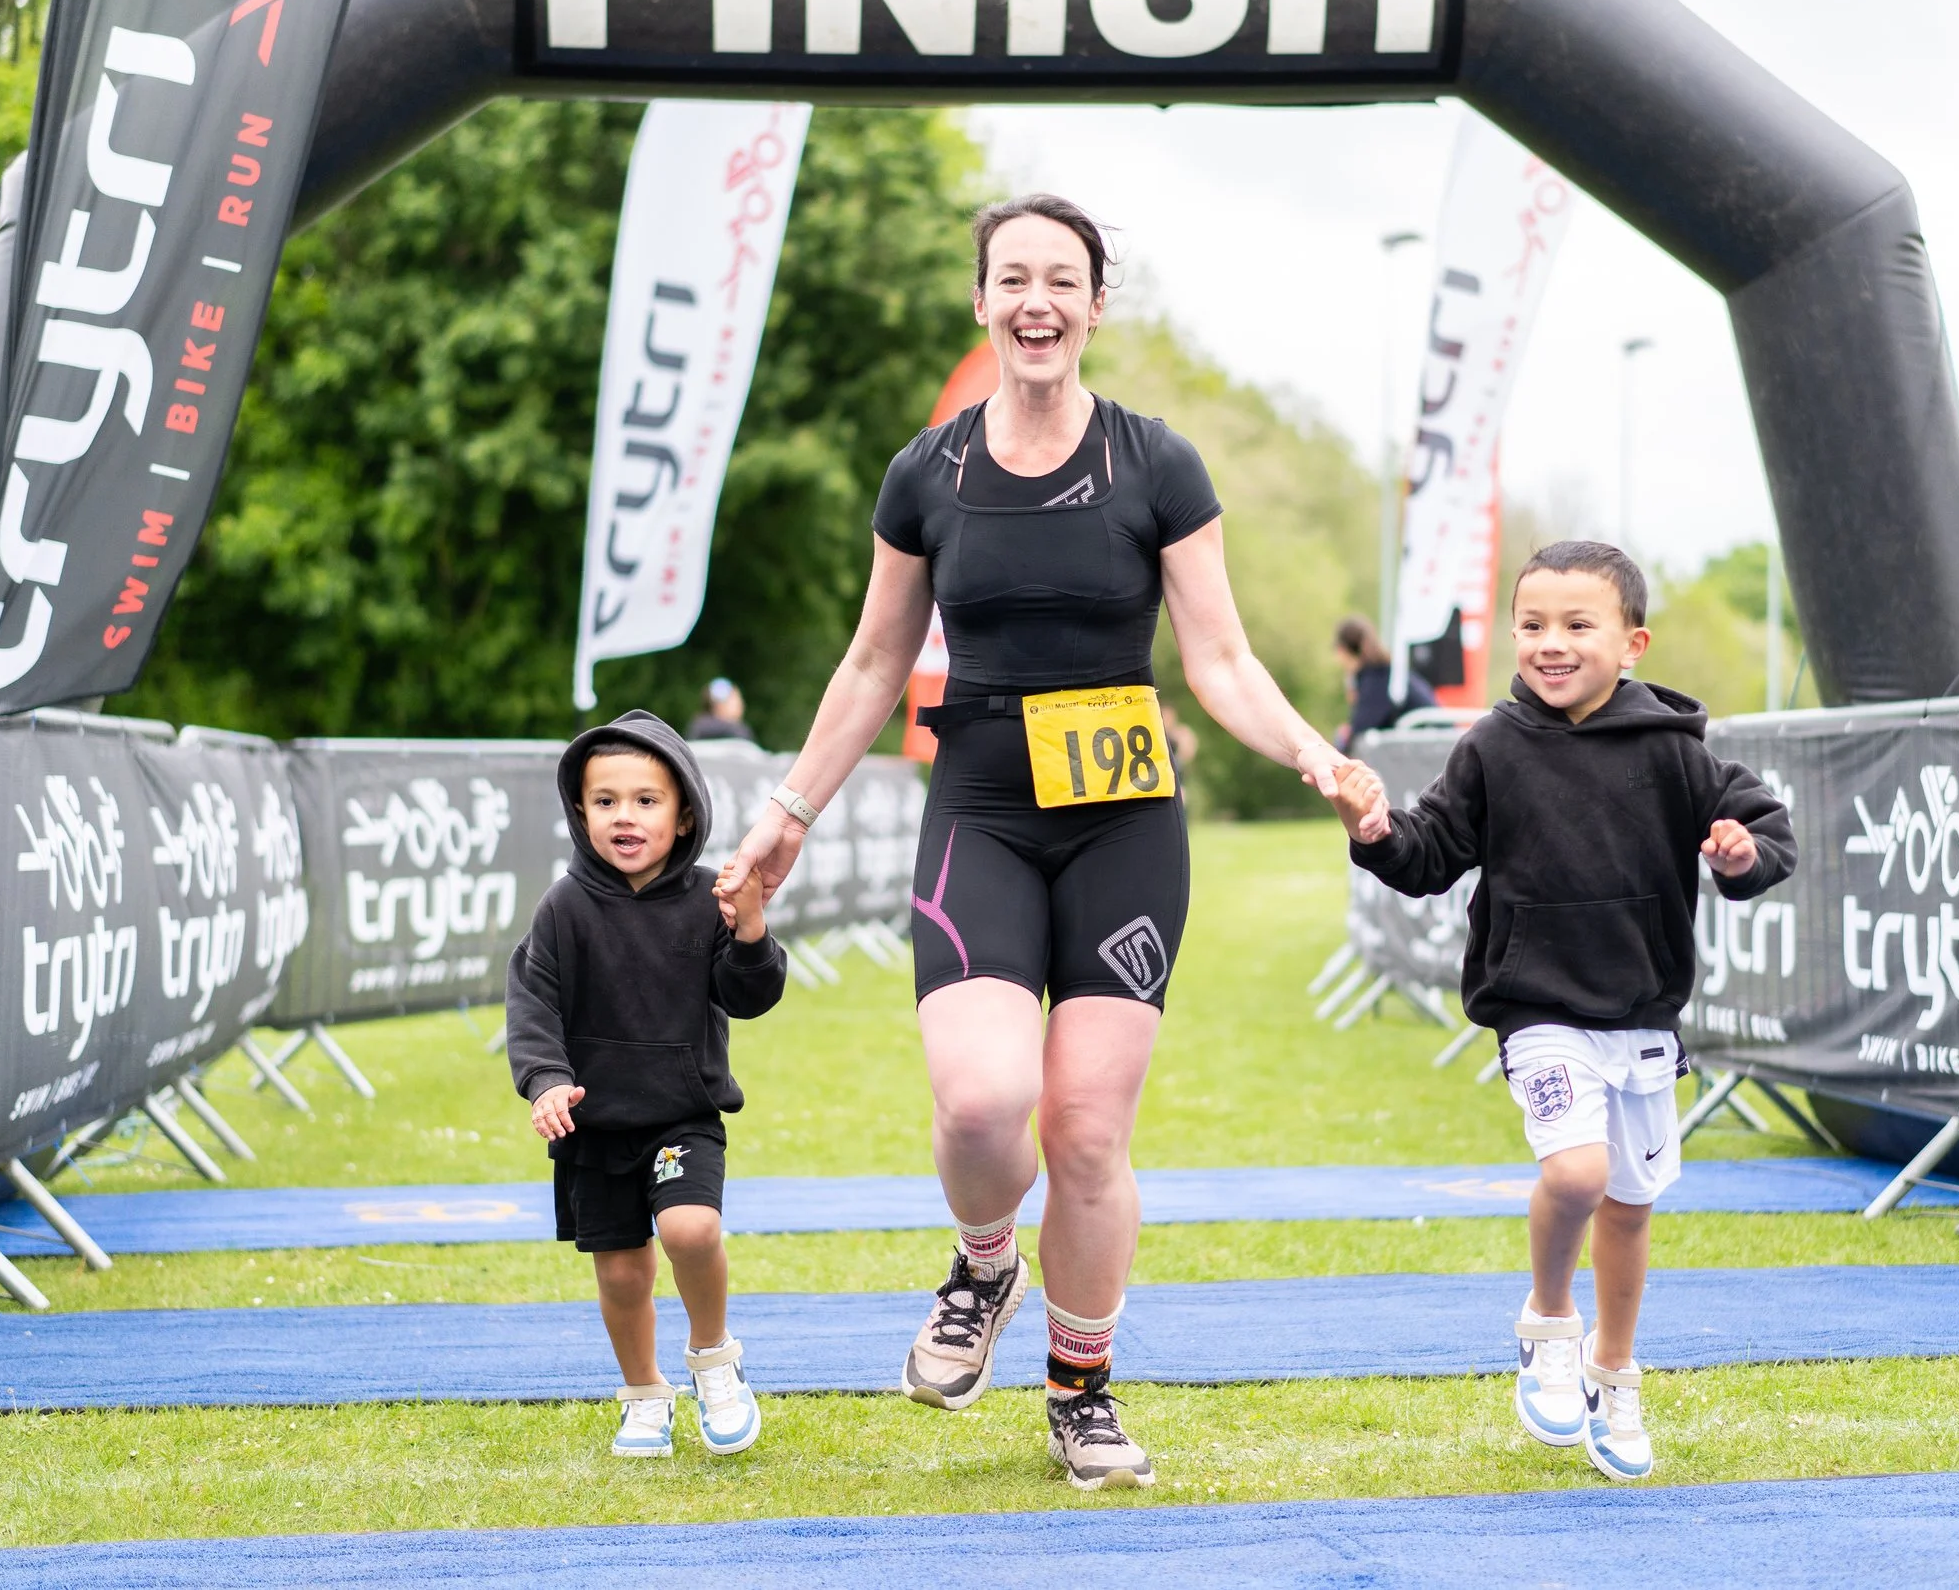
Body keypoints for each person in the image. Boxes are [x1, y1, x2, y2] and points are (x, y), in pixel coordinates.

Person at [720, 194, 1375, 1491]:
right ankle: (982, 1260)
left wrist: (1314, 751)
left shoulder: (1156, 464)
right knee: (979, 1100)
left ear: (1093, 304)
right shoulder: (928, 473)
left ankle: (1082, 1387)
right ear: (981, 301)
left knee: (1083, 1131)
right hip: (982, 806)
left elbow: (1222, 656)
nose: (1036, 300)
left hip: (1125, 818)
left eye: (1061, 279)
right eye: (1012, 277)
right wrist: (785, 812)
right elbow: (871, 661)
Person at [1329, 540, 1793, 1482]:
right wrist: (1372, 829)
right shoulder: (1492, 747)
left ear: (1632, 642)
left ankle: (1614, 1374)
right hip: (1538, 1008)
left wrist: (1742, 855)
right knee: (1577, 1174)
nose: (1551, 643)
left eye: (1577, 625)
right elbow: (1429, 852)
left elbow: (1767, 827)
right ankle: (1548, 1320)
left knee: (1629, 1204)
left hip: (1643, 1016)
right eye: (1532, 625)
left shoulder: (1674, 749)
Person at [506, 709, 788, 1460]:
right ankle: (643, 1393)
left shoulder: (710, 897)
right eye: (605, 801)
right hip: (595, 1128)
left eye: (645, 799)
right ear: (580, 811)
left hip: (682, 1116)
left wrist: (752, 928)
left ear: (684, 811)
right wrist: (546, 1081)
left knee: (690, 1229)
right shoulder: (563, 906)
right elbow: (532, 1001)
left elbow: (751, 994)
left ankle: (714, 1360)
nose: (623, 816)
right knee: (624, 1273)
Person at [1331, 615, 1435, 753]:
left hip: (1426, 753)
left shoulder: (1376, 679)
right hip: (1430, 748)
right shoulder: (1388, 673)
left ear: (1342, 650)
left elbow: (1359, 731)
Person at [686, 678, 756, 744]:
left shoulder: (696, 727)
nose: (742, 706)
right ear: (719, 704)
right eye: (737, 700)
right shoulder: (738, 731)